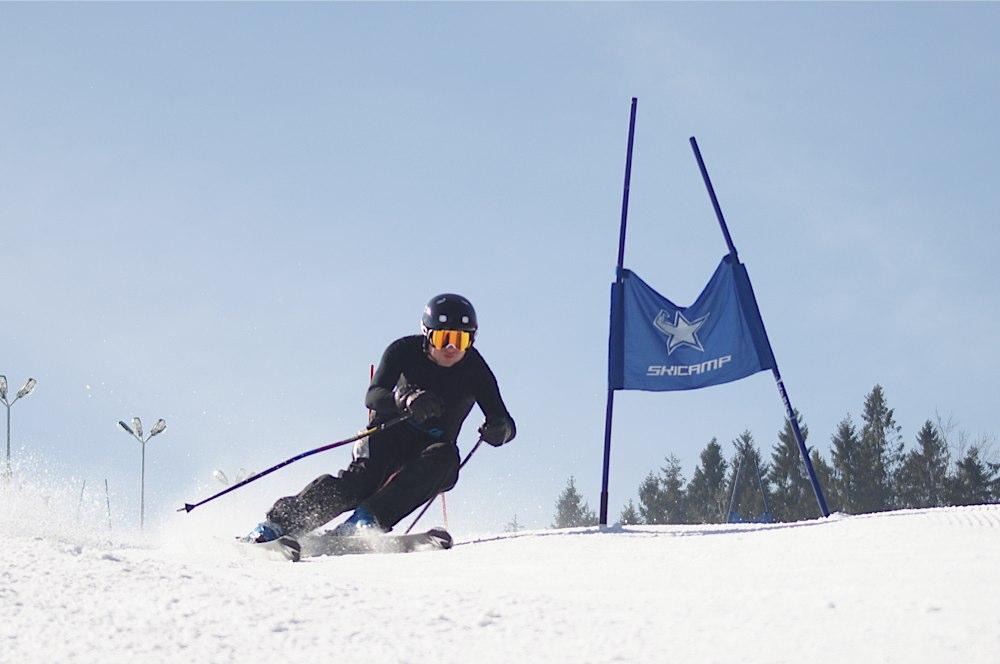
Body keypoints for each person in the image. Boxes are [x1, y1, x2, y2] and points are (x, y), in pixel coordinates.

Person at [244, 293, 516, 543]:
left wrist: (500, 430)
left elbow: (503, 419)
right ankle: (278, 526)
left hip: (430, 450)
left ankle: (366, 522)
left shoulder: (475, 370)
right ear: (427, 335)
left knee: (445, 460)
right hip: (387, 436)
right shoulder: (404, 351)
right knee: (362, 482)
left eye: (462, 340)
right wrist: (405, 399)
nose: (451, 347)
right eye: (443, 337)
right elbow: (373, 395)